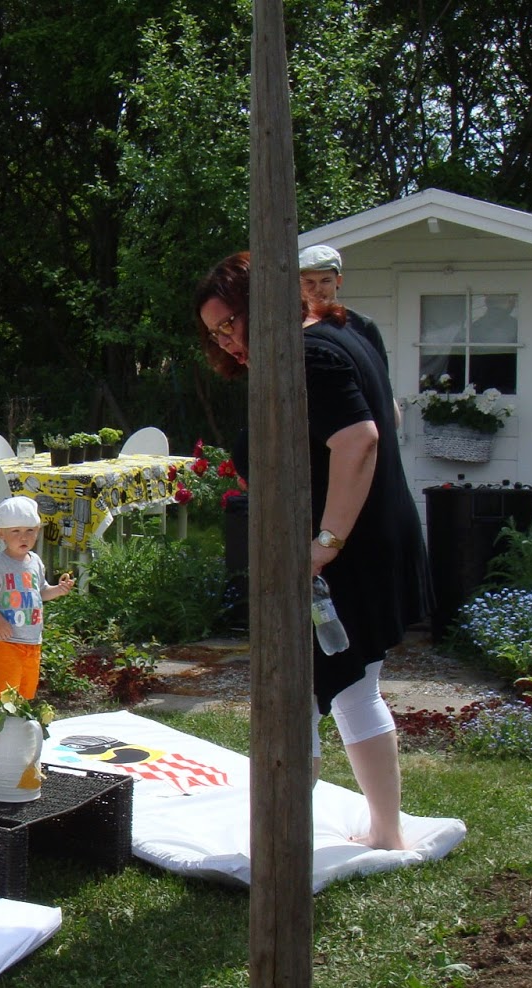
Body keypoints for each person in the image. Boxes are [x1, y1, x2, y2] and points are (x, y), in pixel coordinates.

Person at [193, 250, 430, 850]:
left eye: (230, 323)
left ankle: (283, 848)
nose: (227, 342)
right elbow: (382, 417)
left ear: (262, 303)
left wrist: (326, 542)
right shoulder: (346, 330)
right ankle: (384, 832)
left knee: (294, 697)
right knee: (354, 689)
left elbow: (360, 440)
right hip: (371, 540)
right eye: (215, 333)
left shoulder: (308, 353)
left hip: (343, 552)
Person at [0, 496, 75, 699]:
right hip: (5, 639)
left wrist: (58, 590)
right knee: (7, 684)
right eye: (16, 531)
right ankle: (0, 716)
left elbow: (41, 591)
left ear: (37, 531)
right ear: (1, 533)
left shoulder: (35, 561)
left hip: (32, 639)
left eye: (30, 530)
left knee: (27, 686)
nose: (24, 537)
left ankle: (20, 716)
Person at [299, 243, 401, 426]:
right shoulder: (292, 328)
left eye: (325, 281)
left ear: (338, 281)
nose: (317, 289)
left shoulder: (362, 326)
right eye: (309, 282)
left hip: (358, 422)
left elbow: (380, 384)